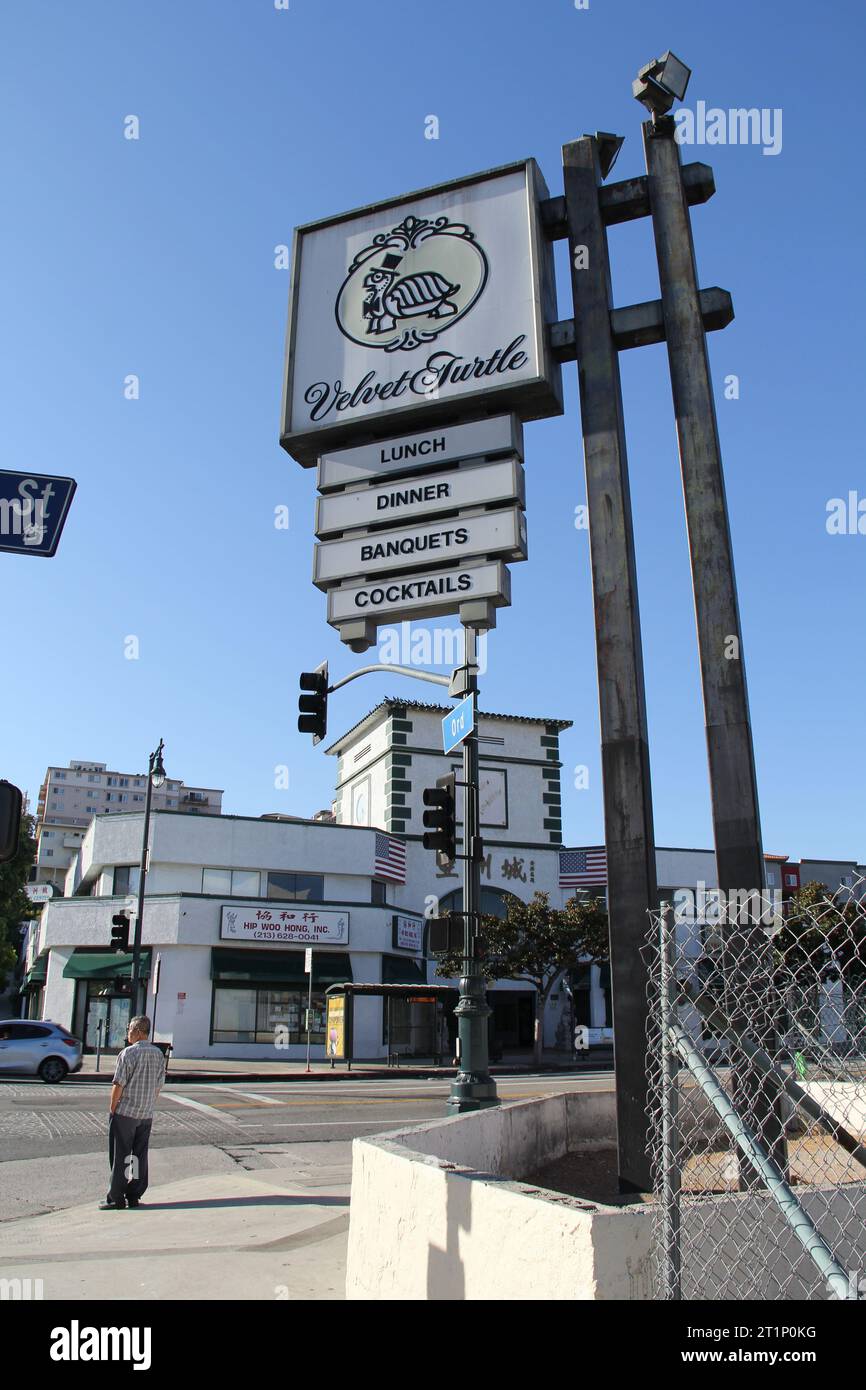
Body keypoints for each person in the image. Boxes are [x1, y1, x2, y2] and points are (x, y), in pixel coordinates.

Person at [99, 1014, 165, 1211]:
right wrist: (148, 1104)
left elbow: (119, 1084)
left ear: (137, 1032)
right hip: (145, 1113)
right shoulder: (158, 1054)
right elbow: (158, 1086)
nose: (127, 1034)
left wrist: (113, 1108)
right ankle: (134, 1194)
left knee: (121, 1155)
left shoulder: (128, 1054)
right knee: (138, 1156)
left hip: (126, 1112)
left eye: (129, 1030)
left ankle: (116, 1197)